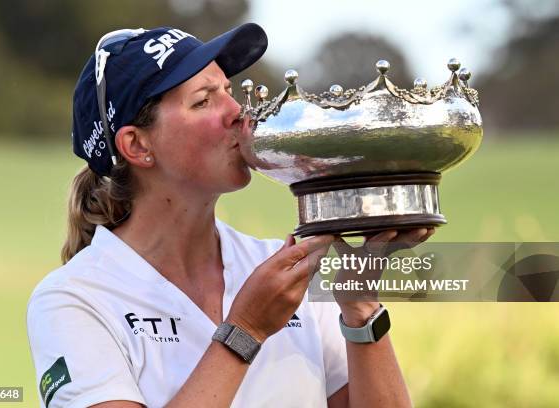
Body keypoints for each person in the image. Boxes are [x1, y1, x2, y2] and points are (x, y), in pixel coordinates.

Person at [27, 23, 434, 408]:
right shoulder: (74, 299)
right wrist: (245, 330)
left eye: (228, 90)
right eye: (203, 100)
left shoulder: (283, 270)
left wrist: (360, 307)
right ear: (137, 145)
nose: (238, 111)